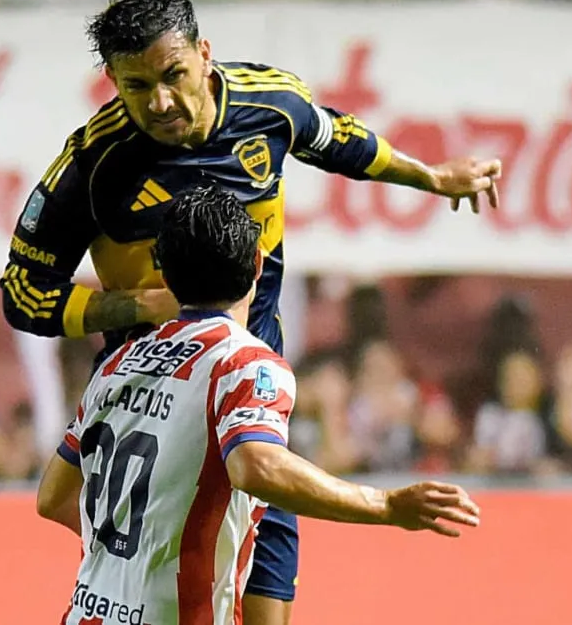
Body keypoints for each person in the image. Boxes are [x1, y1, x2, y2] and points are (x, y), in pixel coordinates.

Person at [2, 0, 500, 624]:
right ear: (113, 84)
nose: (159, 102)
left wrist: (430, 176)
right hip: (155, 405)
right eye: (134, 87)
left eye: (172, 75)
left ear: (204, 55)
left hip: (246, 388)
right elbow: (23, 293)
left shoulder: (269, 106)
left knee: (257, 569)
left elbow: (340, 140)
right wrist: (133, 308)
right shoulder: (94, 165)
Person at [35, 186, 479, 625]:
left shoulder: (117, 363)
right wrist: (384, 506)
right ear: (257, 265)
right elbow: (256, 466)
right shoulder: (243, 362)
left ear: (165, 277)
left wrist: (136, 554)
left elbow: (52, 497)